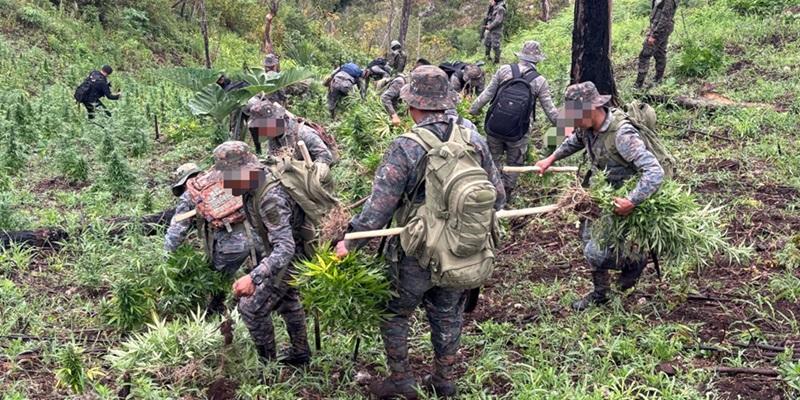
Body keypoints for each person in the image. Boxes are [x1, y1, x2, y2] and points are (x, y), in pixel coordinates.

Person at [334, 66, 505, 399]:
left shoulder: (406, 146)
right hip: (461, 248)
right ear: (446, 102)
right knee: (447, 312)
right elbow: (497, 195)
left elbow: (378, 210)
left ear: (413, 105)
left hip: (416, 252)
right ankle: (445, 380)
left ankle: (401, 379)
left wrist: (349, 242)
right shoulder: (473, 137)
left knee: (394, 310)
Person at [535, 82, 665, 311]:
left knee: (596, 252)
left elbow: (654, 171)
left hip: (624, 198)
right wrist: (551, 158)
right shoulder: (586, 126)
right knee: (587, 239)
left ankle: (635, 261)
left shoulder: (622, 134)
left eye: (576, 116)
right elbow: (575, 140)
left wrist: (632, 201)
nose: (572, 122)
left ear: (592, 109)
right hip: (602, 193)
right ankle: (601, 293)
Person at [206, 141, 312, 367]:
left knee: (251, 307)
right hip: (283, 253)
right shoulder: (253, 186)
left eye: (226, 177)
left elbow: (285, 248)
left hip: (291, 257)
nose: (223, 183)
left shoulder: (269, 198)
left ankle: (268, 366)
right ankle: (300, 354)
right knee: (288, 301)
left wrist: (254, 276)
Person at [164, 160, 266, 315]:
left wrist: (167, 257)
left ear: (184, 182)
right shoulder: (222, 178)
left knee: (218, 279)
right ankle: (267, 304)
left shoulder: (191, 192)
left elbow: (177, 229)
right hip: (257, 234)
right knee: (262, 273)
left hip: (231, 246)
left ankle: (217, 311)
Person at [469, 41, 559, 199]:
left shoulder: (504, 70)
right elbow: (551, 112)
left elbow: (487, 95)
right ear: (537, 60)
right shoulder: (540, 81)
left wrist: (473, 110)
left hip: (494, 126)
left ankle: (489, 194)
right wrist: (569, 126)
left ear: (521, 55)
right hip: (519, 132)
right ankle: (506, 196)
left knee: (492, 159)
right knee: (514, 164)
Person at [245, 98, 334, 165]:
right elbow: (273, 157)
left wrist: (306, 170)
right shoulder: (273, 137)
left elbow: (326, 157)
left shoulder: (304, 133)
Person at [635, 0, 678, 88]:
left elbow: (665, 18)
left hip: (661, 29)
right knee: (660, 53)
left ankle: (638, 85)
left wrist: (654, 35)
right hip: (659, 27)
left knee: (645, 54)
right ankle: (658, 79)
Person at [381, 58, 431, 126]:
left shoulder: (414, 84)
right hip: (387, 118)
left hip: (399, 119)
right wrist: (394, 115)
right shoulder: (400, 82)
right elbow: (385, 97)